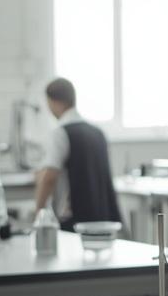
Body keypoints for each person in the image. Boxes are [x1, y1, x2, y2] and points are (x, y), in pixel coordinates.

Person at [32, 78, 121, 228]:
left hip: (75, 223)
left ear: (53, 101)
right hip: (103, 219)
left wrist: (38, 215)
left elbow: (49, 178)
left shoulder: (61, 133)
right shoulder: (97, 133)